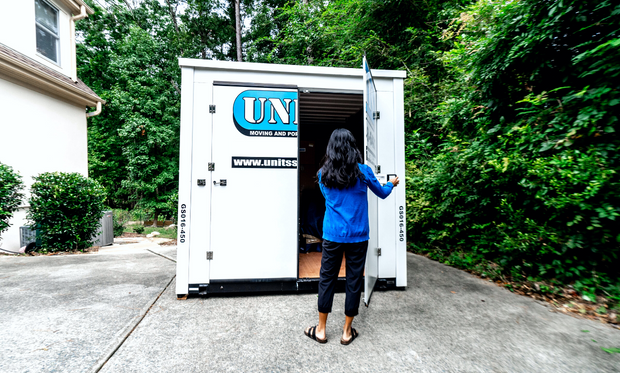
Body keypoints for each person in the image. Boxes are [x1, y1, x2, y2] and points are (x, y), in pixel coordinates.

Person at [304, 128, 399, 345]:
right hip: (358, 236)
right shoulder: (363, 172)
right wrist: (390, 184)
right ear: (352, 147)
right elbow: (382, 194)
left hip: (332, 235)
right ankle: (347, 332)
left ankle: (321, 330)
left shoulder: (322, 174)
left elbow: (330, 199)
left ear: (331, 149)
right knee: (354, 281)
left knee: (327, 279)